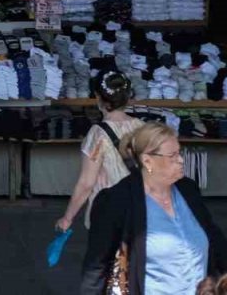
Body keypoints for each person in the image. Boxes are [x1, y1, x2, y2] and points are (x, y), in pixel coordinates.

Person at [82, 122, 227, 295]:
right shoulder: (116, 200)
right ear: (147, 161)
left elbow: (214, 238)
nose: (181, 160)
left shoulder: (188, 189)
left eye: (179, 152)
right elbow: (96, 267)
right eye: (172, 155)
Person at [56, 72, 143, 233]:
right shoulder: (142, 127)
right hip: (140, 208)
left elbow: (86, 183)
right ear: (127, 97)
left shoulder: (97, 134)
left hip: (108, 211)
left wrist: (67, 219)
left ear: (98, 97)